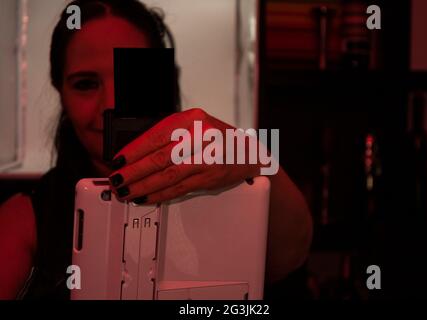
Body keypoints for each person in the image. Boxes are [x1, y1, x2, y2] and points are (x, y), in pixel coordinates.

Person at [0, 0, 312, 299]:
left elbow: (292, 252)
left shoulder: (224, 185)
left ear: (164, 83)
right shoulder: (26, 216)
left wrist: (253, 157)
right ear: (61, 93)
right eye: (85, 83)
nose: (111, 105)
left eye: (132, 80)